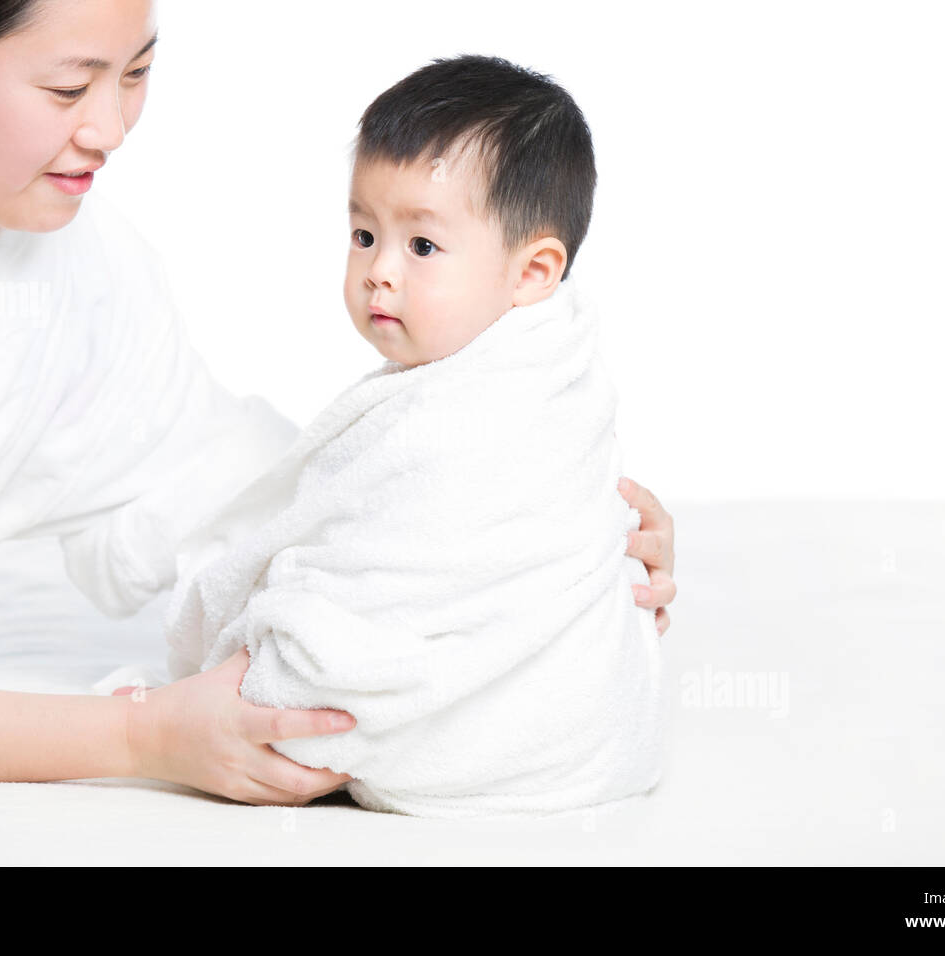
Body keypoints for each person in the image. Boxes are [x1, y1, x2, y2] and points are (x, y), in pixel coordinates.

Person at [0, 0, 677, 817]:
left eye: (135, 74)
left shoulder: (71, 269)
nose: (108, 130)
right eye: (68, 86)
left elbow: (228, 492)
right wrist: (143, 733)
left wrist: (521, 544)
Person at [164, 55, 662, 816]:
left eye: (422, 247)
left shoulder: (509, 409)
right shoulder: (484, 378)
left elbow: (438, 573)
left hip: (509, 734)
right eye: (364, 234)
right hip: (602, 761)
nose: (378, 272)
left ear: (534, 273)